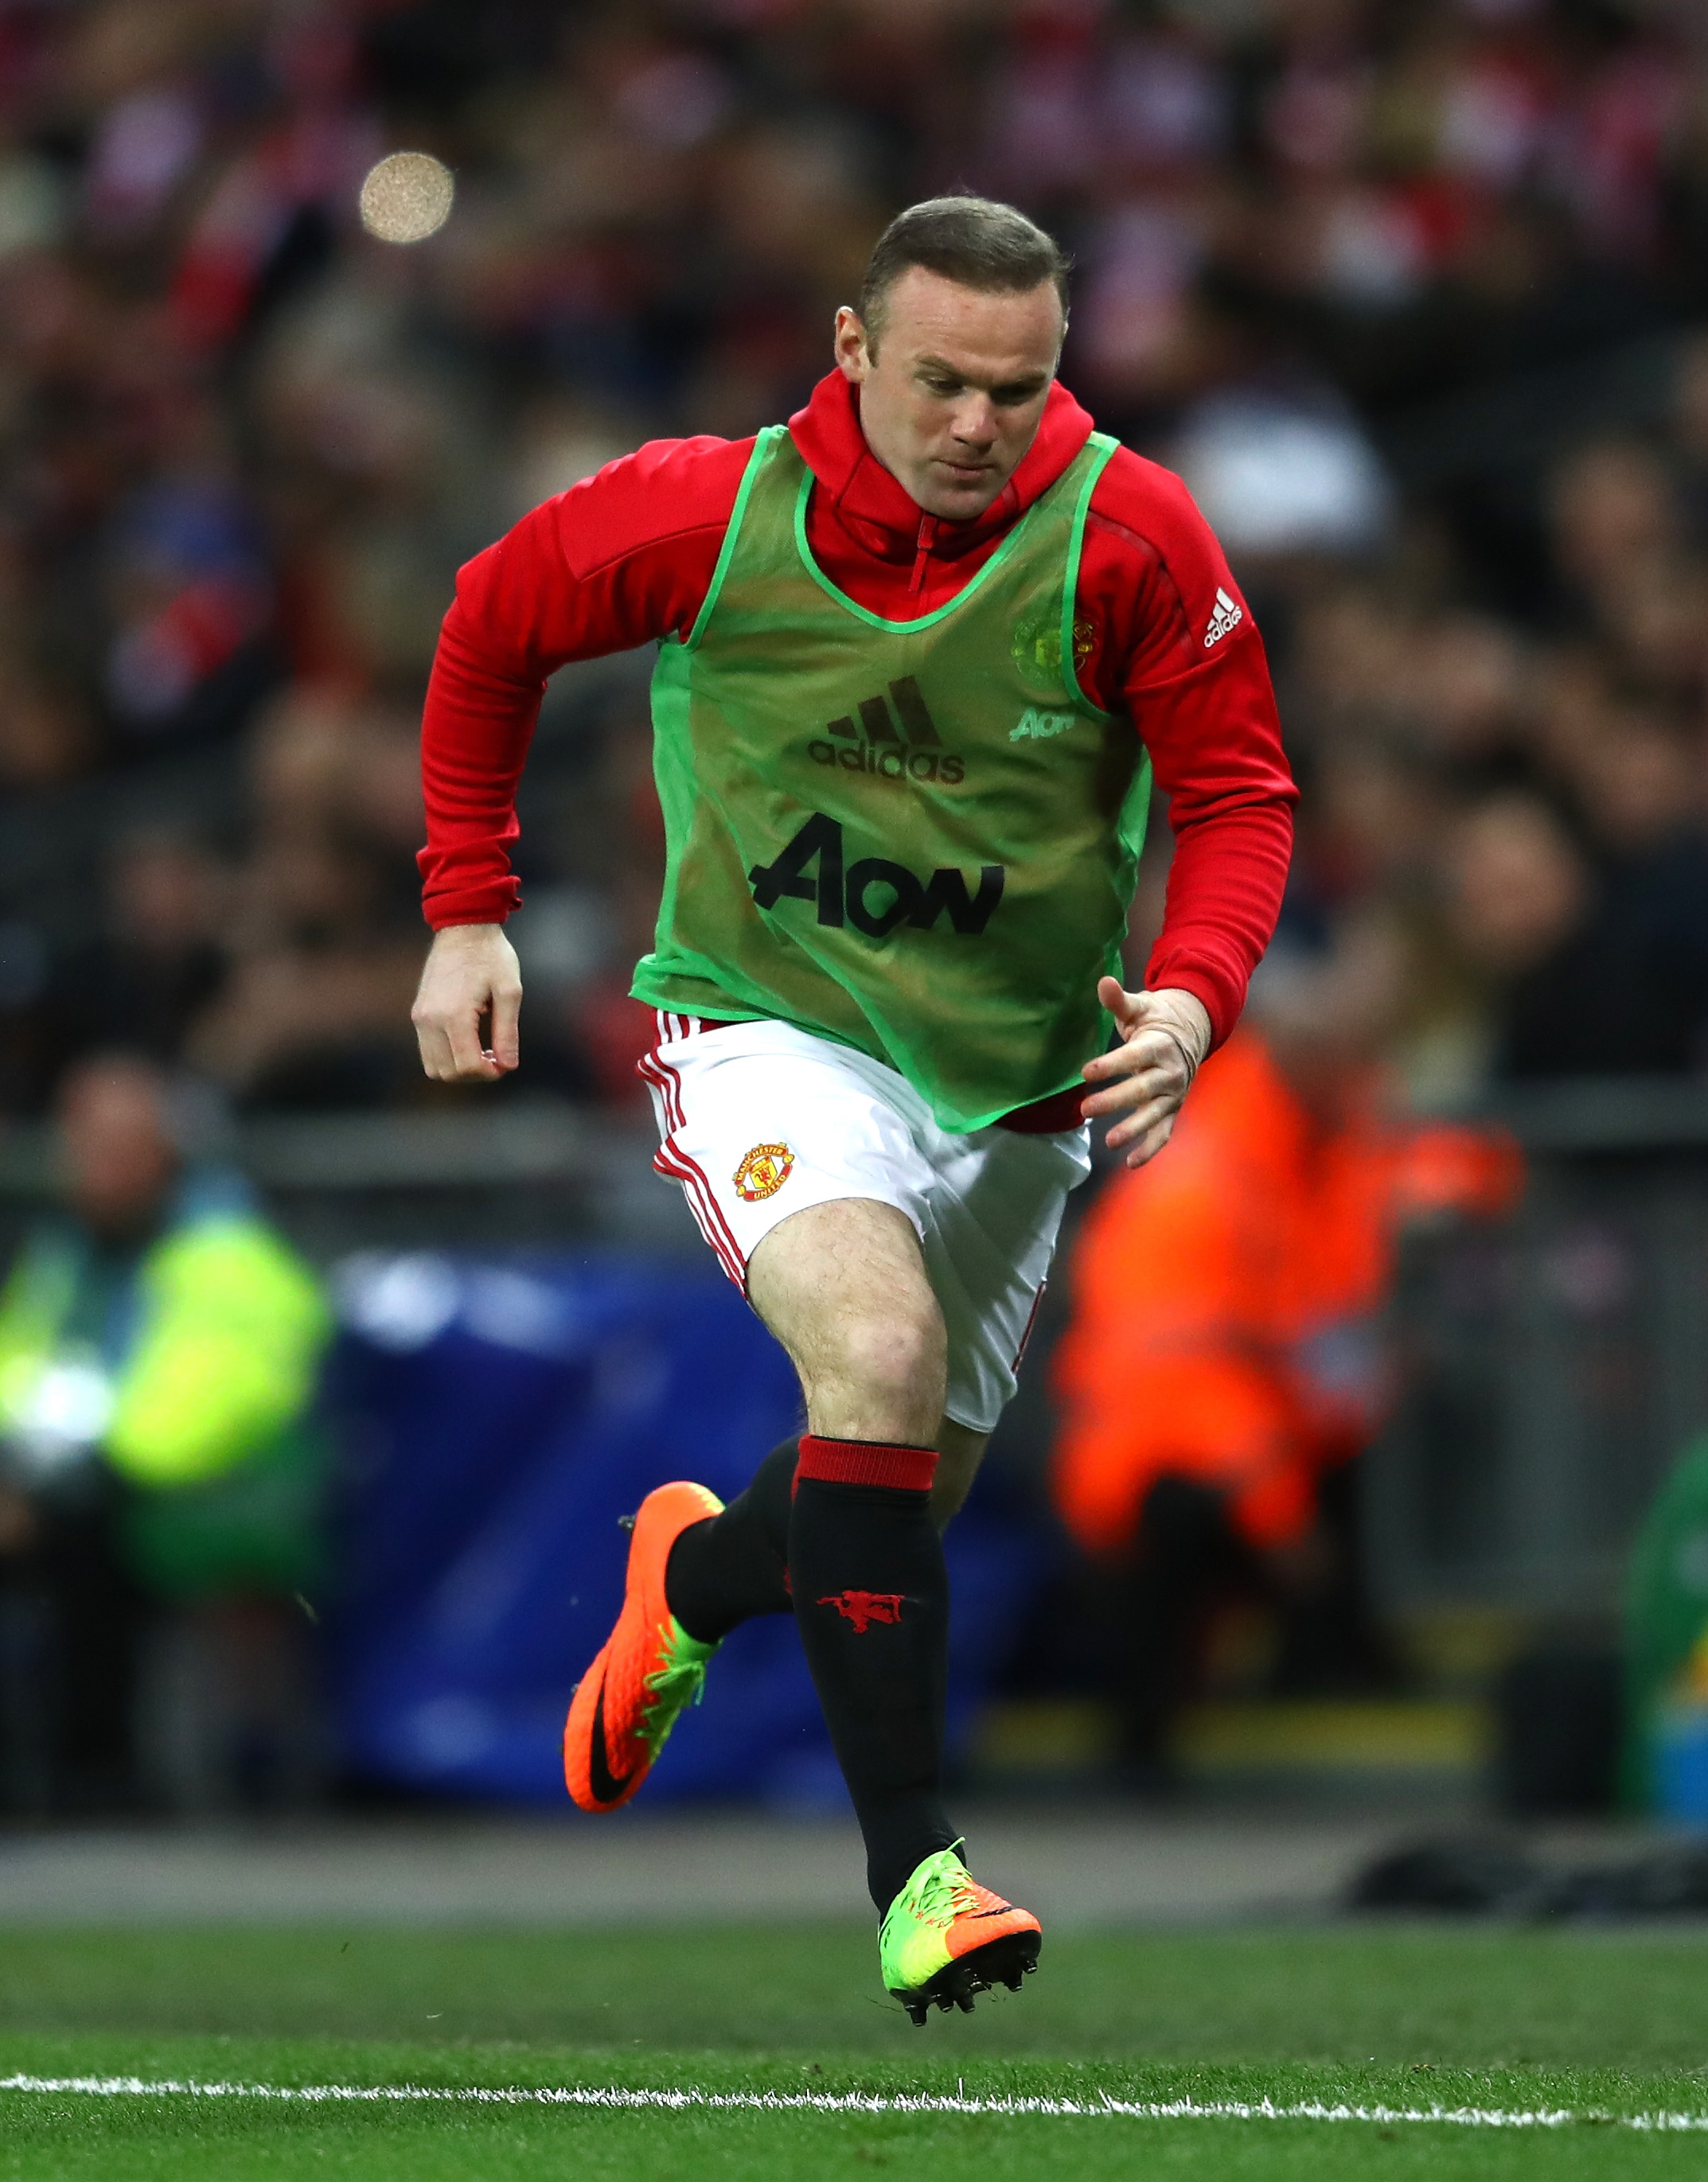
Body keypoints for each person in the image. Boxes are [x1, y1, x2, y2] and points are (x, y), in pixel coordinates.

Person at [408, 197, 1295, 2019]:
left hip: (1023, 1079)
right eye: (943, 383)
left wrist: (1197, 997)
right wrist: (466, 903)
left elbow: (1239, 797)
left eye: (1020, 389)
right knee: (875, 1359)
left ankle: (692, 1577)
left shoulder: (1126, 530)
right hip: (771, 1027)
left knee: (885, 1493)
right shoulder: (703, 511)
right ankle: (920, 1880)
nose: (980, 426)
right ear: (851, 353)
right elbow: (491, 623)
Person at [1047, 935, 1512, 1789]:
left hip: (1251, 1424)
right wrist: (1284, 1518)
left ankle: (1326, 1653)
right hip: (1149, 1460)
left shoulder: (1306, 1138)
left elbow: (1402, 1175)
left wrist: (1483, 1178)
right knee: (1190, 1538)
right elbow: (1184, 1386)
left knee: (1363, 1450)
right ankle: (1147, 1737)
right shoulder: (1204, 1182)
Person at [0, 1056, 330, 1815]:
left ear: (163, 1155)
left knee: (78, 1537)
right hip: (80, 1471)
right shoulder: (67, 1255)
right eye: (78, 1147)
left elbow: (196, 1413)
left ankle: (98, 1777)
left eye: (108, 1151)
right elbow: (1, 1368)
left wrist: (59, 1478)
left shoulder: (225, 1254)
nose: (86, 1170)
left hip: (215, 1495)